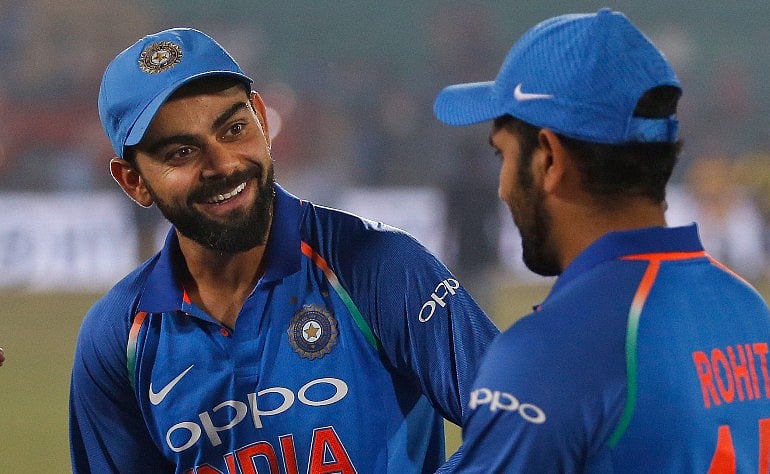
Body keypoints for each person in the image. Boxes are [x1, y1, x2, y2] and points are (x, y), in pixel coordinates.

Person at [69, 28, 499, 473]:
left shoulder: (378, 266)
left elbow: (523, 420)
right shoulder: (118, 338)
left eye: (234, 129)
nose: (224, 164)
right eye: (181, 152)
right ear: (133, 181)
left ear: (260, 117)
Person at [434, 9, 770, 472]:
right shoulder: (747, 309)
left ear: (549, 159)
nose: (502, 187)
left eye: (502, 153)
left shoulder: (556, 350)